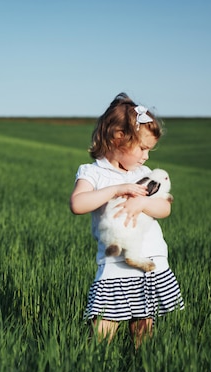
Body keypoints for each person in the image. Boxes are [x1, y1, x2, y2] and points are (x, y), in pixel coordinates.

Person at [70, 92, 184, 348]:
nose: (146, 157)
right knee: (104, 324)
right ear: (117, 137)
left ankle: (141, 367)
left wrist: (143, 202)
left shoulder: (143, 174)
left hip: (150, 258)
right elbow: (77, 204)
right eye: (142, 148)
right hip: (116, 262)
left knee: (144, 323)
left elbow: (165, 207)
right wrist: (116, 190)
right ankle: (93, 367)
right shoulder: (93, 173)